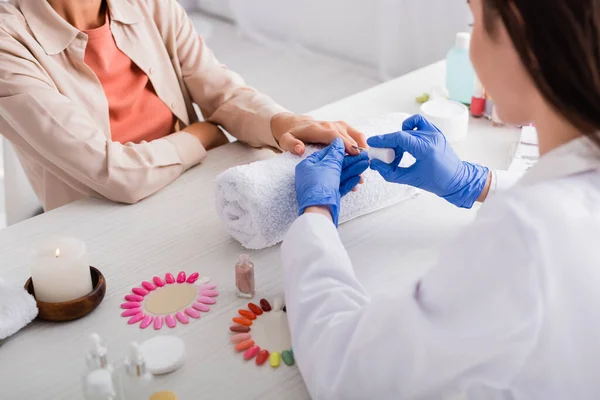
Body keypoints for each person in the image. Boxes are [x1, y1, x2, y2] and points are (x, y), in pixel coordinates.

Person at [282, 0, 600, 398]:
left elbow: (352, 373)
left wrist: (315, 215)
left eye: (475, 21)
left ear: (521, 31)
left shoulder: (523, 234)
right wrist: (476, 182)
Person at [0, 0, 366, 211]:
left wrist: (283, 123)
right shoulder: (8, 41)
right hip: (100, 219)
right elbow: (115, 175)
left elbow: (221, 91)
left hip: (191, 182)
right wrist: (201, 136)